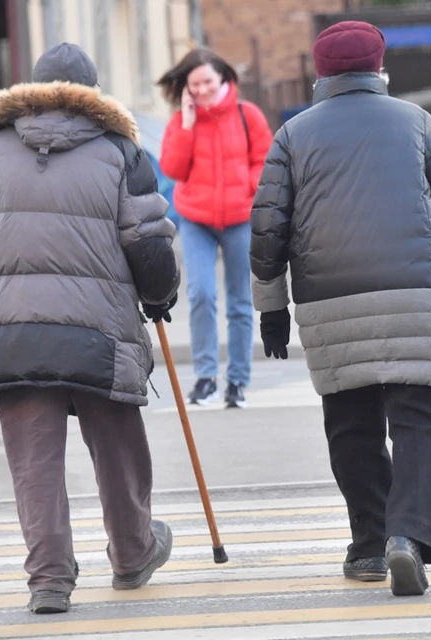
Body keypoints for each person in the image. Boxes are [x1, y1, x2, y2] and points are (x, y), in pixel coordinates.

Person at [0, 43, 180, 614]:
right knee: (119, 448)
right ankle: (132, 554)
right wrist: (160, 298)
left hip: (11, 336)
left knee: (34, 462)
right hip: (100, 332)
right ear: (92, 96)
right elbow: (149, 245)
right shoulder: (121, 151)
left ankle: (49, 579)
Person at [249, 21, 431, 597]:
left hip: (331, 301)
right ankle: (409, 538)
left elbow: (267, 231)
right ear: (379, 70)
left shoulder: (292, 136)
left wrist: (271, 309)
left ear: (320, 73)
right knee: (423, 420)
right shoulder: (415, 122)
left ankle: (371, 546)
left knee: (351, 426)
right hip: (419, 294)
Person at [157, 48, 274, 408]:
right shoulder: (181, 122)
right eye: (195, 85)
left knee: (240, 302)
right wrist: (189, 126)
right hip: (196, 220)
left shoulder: (247, 114)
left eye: (208, 81)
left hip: (240, 219)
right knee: (200, 295)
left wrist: (248, 188)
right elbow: (173, 169)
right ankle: (206, 377)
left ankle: (237, 381)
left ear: (222, 78)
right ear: (186, 88)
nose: (203, 89)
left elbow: (265, 159)